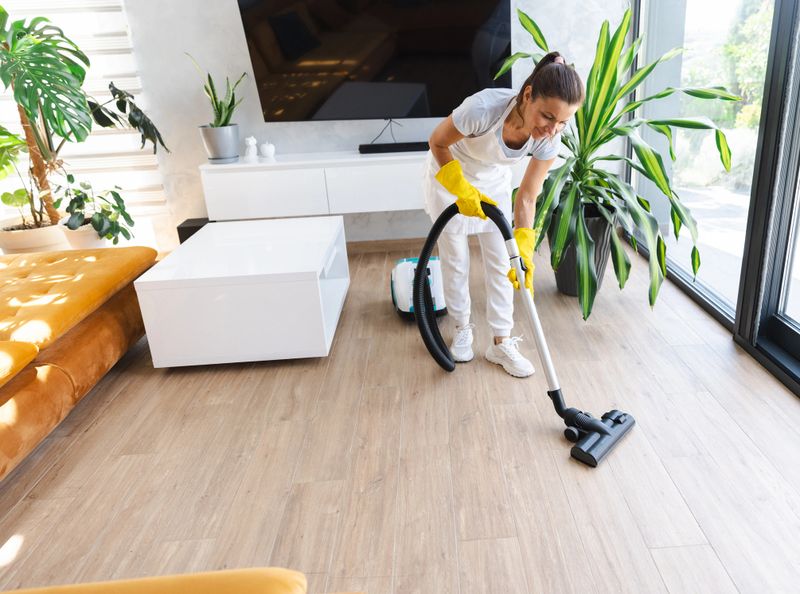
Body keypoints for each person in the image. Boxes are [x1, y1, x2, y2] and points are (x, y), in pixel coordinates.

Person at [423, 51, 584, 378]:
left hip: (494, 182)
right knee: (455, 260)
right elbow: (437, 142)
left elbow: (527, 195)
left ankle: (500, 341)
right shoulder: (482, 109)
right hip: (450, 177)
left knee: (502, 262)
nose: (553, 129)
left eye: (563, 122)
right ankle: (462, 327)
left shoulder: (548, 140)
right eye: (548, 117)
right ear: (528, 96)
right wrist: (460, 188)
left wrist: (523, 243)